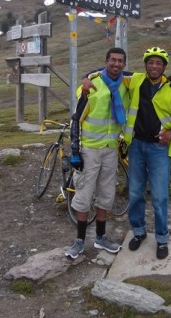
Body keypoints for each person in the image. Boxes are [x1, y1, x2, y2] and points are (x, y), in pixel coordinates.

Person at [82, 46, 171, 259]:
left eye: (159, 63)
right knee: (136, 194)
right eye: (151, 62)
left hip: (159, 149)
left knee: (159, 197)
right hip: (136, 146)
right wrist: (85, 78)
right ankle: (138, 232)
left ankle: (162, 239)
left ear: (164, 67)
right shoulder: (135, 79)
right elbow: (107, 71)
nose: (154, 66)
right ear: (145, 64)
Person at [64, 47, 130, 259]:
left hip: (110, 150)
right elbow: (76, 119)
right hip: (89, 150)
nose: (116, 64)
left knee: (106, 194)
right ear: (106, 61)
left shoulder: (125, 84)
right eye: (112, 60)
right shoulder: (92, 83)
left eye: (120, 61)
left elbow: (149, 77)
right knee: (83, 194)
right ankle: (80, 241)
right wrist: (75, 151)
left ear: (124, 64)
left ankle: (101, 238)